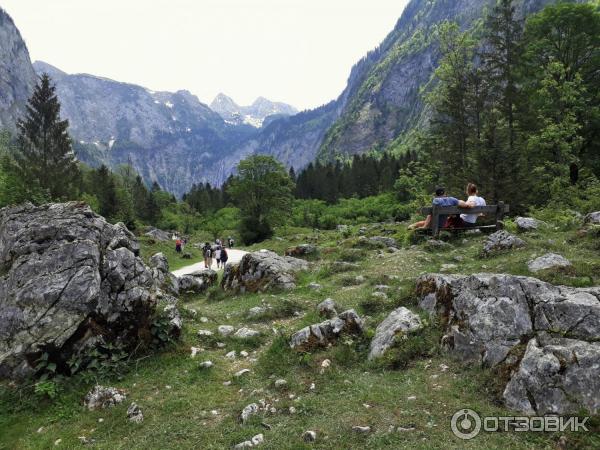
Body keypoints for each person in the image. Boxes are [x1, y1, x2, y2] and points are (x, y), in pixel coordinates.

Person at [408, 186, 473, 230]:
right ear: (445, 193)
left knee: (423, 220)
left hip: (435, 224)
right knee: (422, 222)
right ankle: (414, 227)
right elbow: (464, 205)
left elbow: (431, 214)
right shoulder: (452, 200)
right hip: (443, 224)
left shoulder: (436, 200)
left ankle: (410, 228)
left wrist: (425, 226)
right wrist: (469, 204)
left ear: (436, 195)